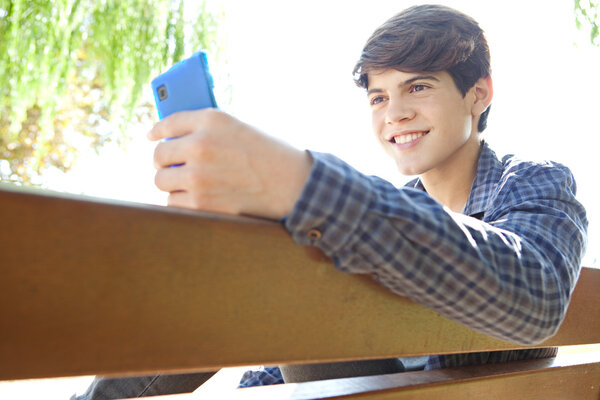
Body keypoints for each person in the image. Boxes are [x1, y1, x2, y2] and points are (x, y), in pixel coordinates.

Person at [73, 4, 588, 398]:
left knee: (298, 255)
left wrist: (295, 180)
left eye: (419, 87)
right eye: (379, 97)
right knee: (279, 256)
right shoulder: (382, 214)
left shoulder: (533, 183)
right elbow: (281, 348)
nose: (396, 113)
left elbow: (535, 294)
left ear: (479, 94)